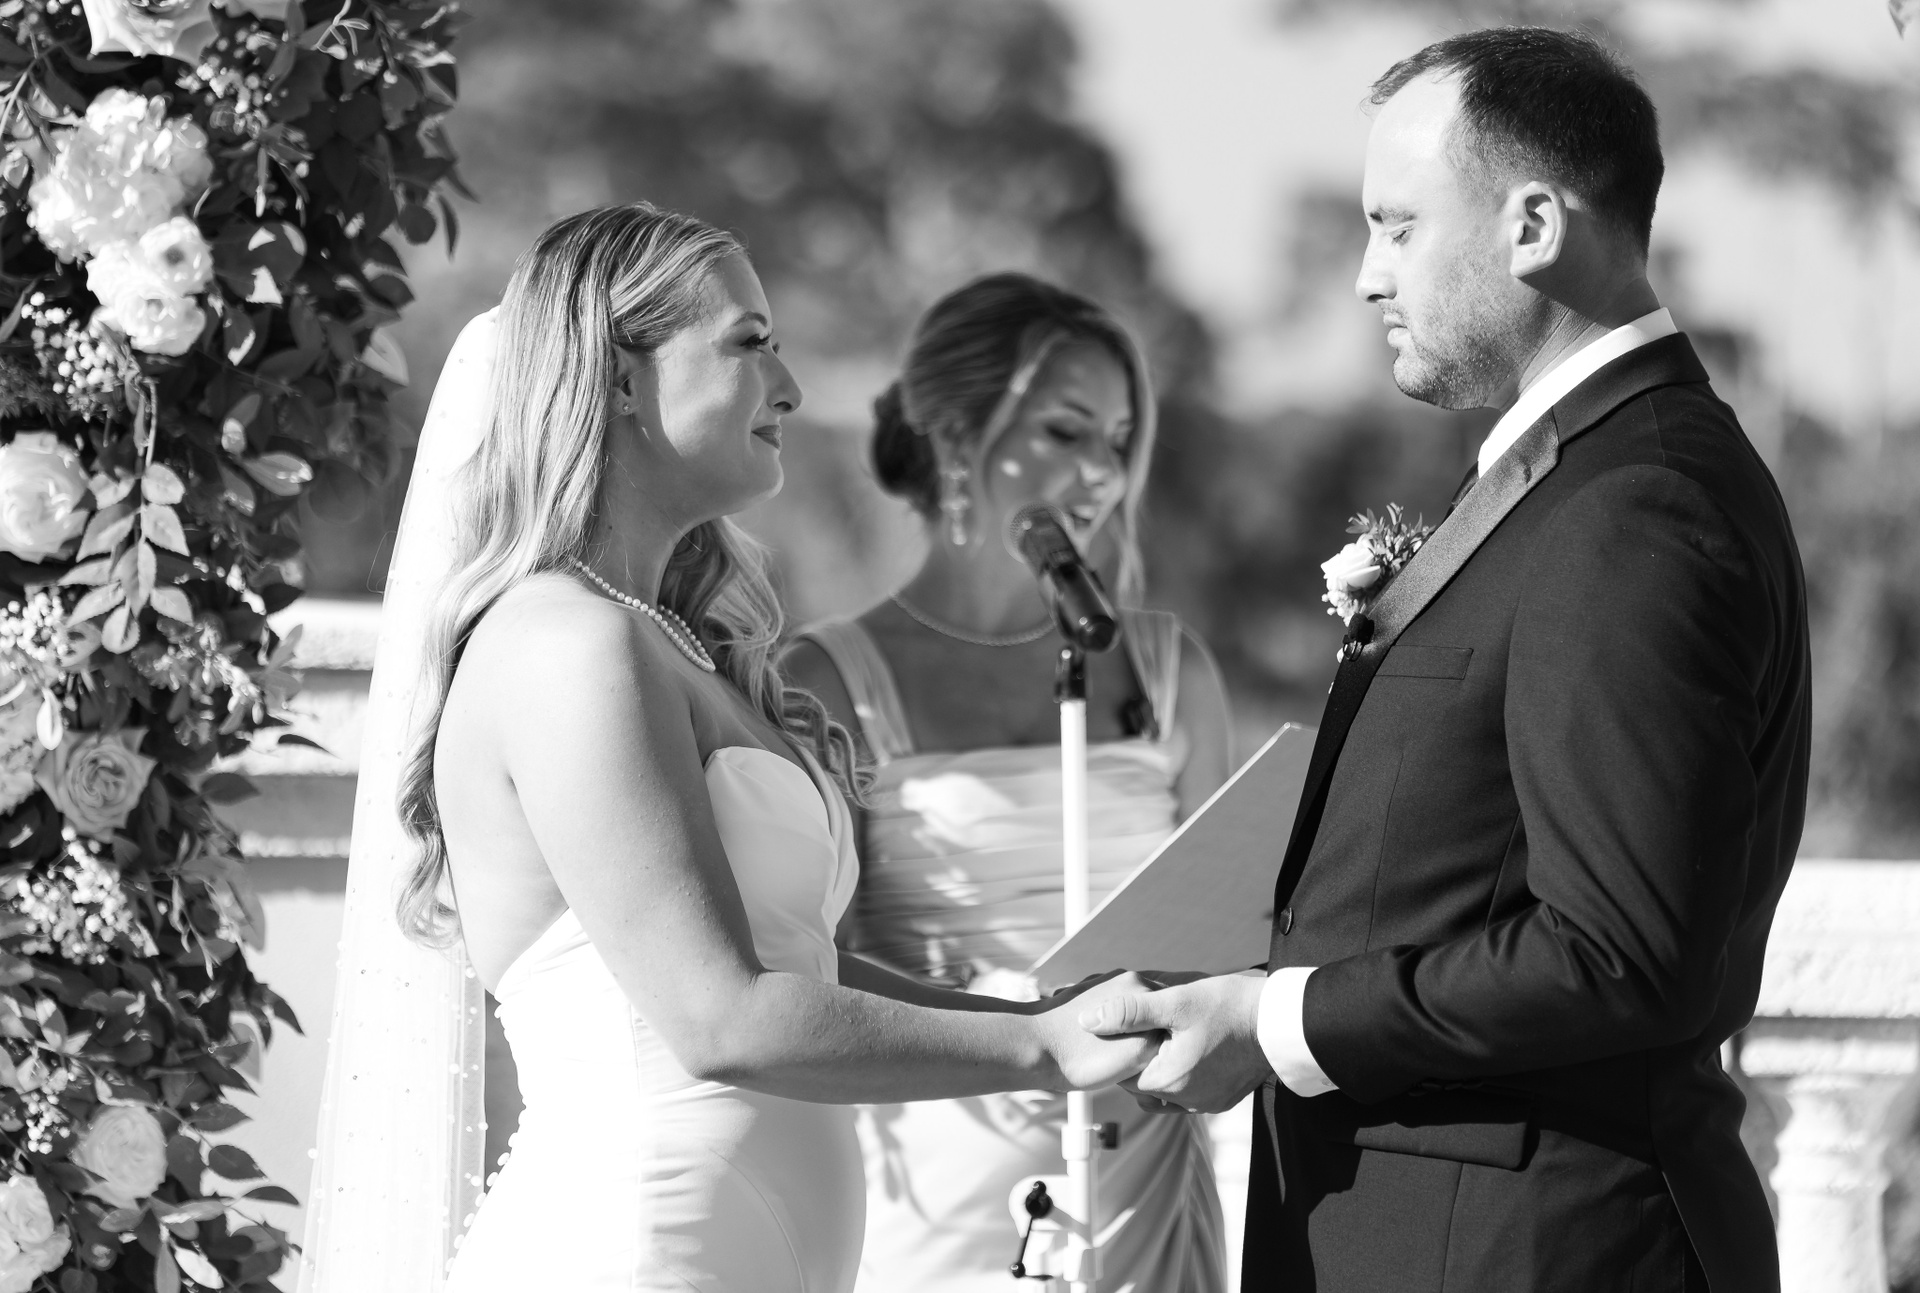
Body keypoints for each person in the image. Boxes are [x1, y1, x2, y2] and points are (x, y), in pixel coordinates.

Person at [305, 204, 1161, 1293]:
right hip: (629, 1255)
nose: (790, 389)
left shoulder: (668, 643)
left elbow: (805, 969)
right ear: (619, 378)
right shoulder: (567, 644)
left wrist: (1048, 1017)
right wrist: (1038, 1050)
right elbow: (721, 1015)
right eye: (750, 343)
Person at [1082, 28, 1810, 1293]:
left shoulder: (1633, 506)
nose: (1368, 276)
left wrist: (1277, 1022)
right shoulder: (1576, 481)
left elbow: (1617, 953)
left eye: (1398, 226)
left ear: (1533, 225)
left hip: (1532, 1250)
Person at [783, 273, 1235, 1293]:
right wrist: (1018, 1021)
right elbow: (807, 965)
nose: (1102, 473)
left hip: (1149, 1167)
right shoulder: (828, 680)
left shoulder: (1170, 668)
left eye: (1118, 441)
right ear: (956, 438)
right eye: (1066, 432)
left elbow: (1235, 920)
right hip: (945, 1181)